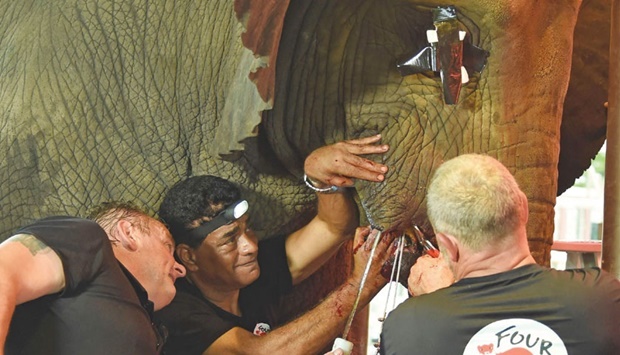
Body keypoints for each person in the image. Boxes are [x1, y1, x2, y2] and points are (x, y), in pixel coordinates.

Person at [155, 135, 396, 354]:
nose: (250, 246)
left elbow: (333, 227)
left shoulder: (252, 271)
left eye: (247, 228)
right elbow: (257, 353)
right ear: (189, 257)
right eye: (229, 240)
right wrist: (359, 287)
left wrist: (319, 175)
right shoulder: (175, 309)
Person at [380, 154, 620, 355]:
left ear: (447, 246)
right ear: (523, 209)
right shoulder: (602, 299)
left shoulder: (406, 327)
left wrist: (438, 302)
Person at [0, 201, 186, 355]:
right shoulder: (88, 239)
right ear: (129, 233)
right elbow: (4, 269)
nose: (180, 269)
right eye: (166, 245)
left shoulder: (155, 328)